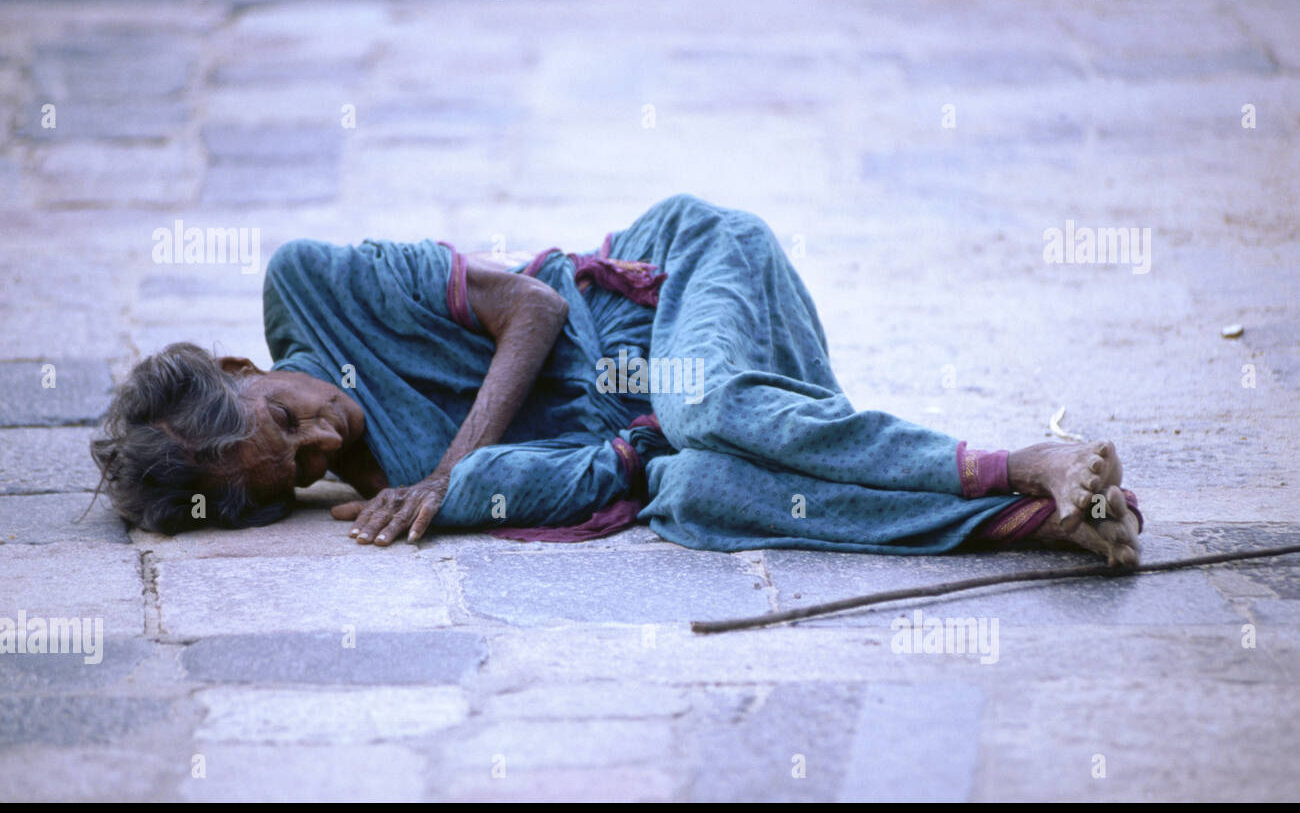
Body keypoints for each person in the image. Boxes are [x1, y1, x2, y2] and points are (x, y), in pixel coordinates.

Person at [91, 195, 1141, 565]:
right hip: (695, 409)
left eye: (290, 416)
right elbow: (616, 476)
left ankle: (1023, 457)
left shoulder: (312, 284)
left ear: (240, 365)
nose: (329, 441)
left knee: (703, 406)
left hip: (692, 271)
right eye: (302, 474)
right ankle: (1030, 521)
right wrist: (449, 494)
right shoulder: (397, 487)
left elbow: (535, 309)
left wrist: (452, 473)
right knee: (691, 493)